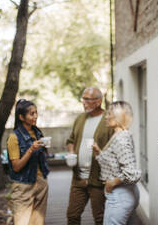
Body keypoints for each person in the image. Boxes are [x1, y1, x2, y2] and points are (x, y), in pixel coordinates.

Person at [66, 87, 115, 225]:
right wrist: (71, 152)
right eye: (83, 99)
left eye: (87, 99)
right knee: (72, 215)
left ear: (98, 101)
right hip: (78, 178)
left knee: (100, 218)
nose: (84, 102)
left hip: (98, 180)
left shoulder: (108, 120)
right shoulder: (80, 118)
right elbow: (70, 141)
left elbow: (114, 150)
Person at [92, 101, 141, 225]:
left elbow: (132, 173)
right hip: (127, 193)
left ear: (119, 117)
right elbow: (115, 162)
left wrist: (112, 182)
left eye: (109, 114)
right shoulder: (119, 134)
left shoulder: (121, 139)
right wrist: (99, 152)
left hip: (120, 195)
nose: (106, 117)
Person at [7, 99, 49, 225]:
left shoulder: (37, 133)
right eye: (31, 113)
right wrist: (31, 149)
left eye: (36, 112)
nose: (35, 116)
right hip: (22, 187)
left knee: (38, 223)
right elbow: (16, 167)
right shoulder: (13, 137)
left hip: (40, 184)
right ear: (21, 117)